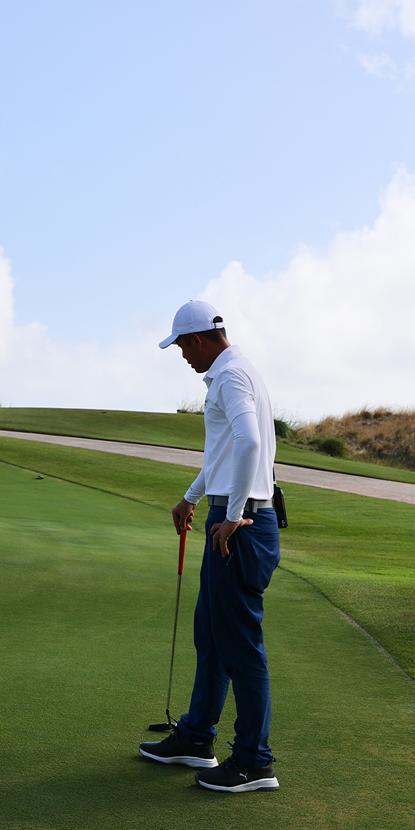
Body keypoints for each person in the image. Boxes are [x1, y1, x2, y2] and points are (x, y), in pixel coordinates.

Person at [139, 300, 281, 792]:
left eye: (181, 346)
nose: (181, 356)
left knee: (241, 646)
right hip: (230, 515)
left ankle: (253, 763)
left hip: (241, 524)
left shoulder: (230, 377)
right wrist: (190, 497)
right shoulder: (236, 373)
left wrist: (235, 512)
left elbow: (249, 445)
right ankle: (197, 738)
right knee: (213, 635)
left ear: (198, 339)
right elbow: (225, 451)